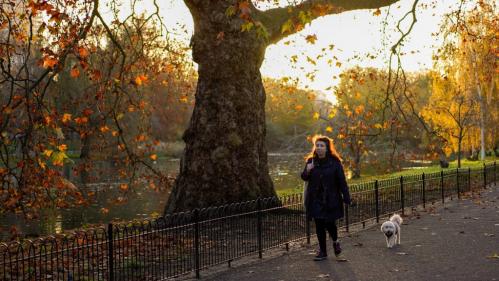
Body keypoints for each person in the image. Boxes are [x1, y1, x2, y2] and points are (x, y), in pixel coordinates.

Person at [301, 135, 351, 261]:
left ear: (327, 148)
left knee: (330, 223)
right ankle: (323, 251)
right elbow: (304, 177)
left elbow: (342, 182)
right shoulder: (311, 162)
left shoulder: (335, 163)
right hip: (315, 199)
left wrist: (346, 197)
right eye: (317, 145)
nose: (318, 148)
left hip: (331, 199)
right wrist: (307, 171)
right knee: (319, 225)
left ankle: (335, 242)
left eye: (321, 145)